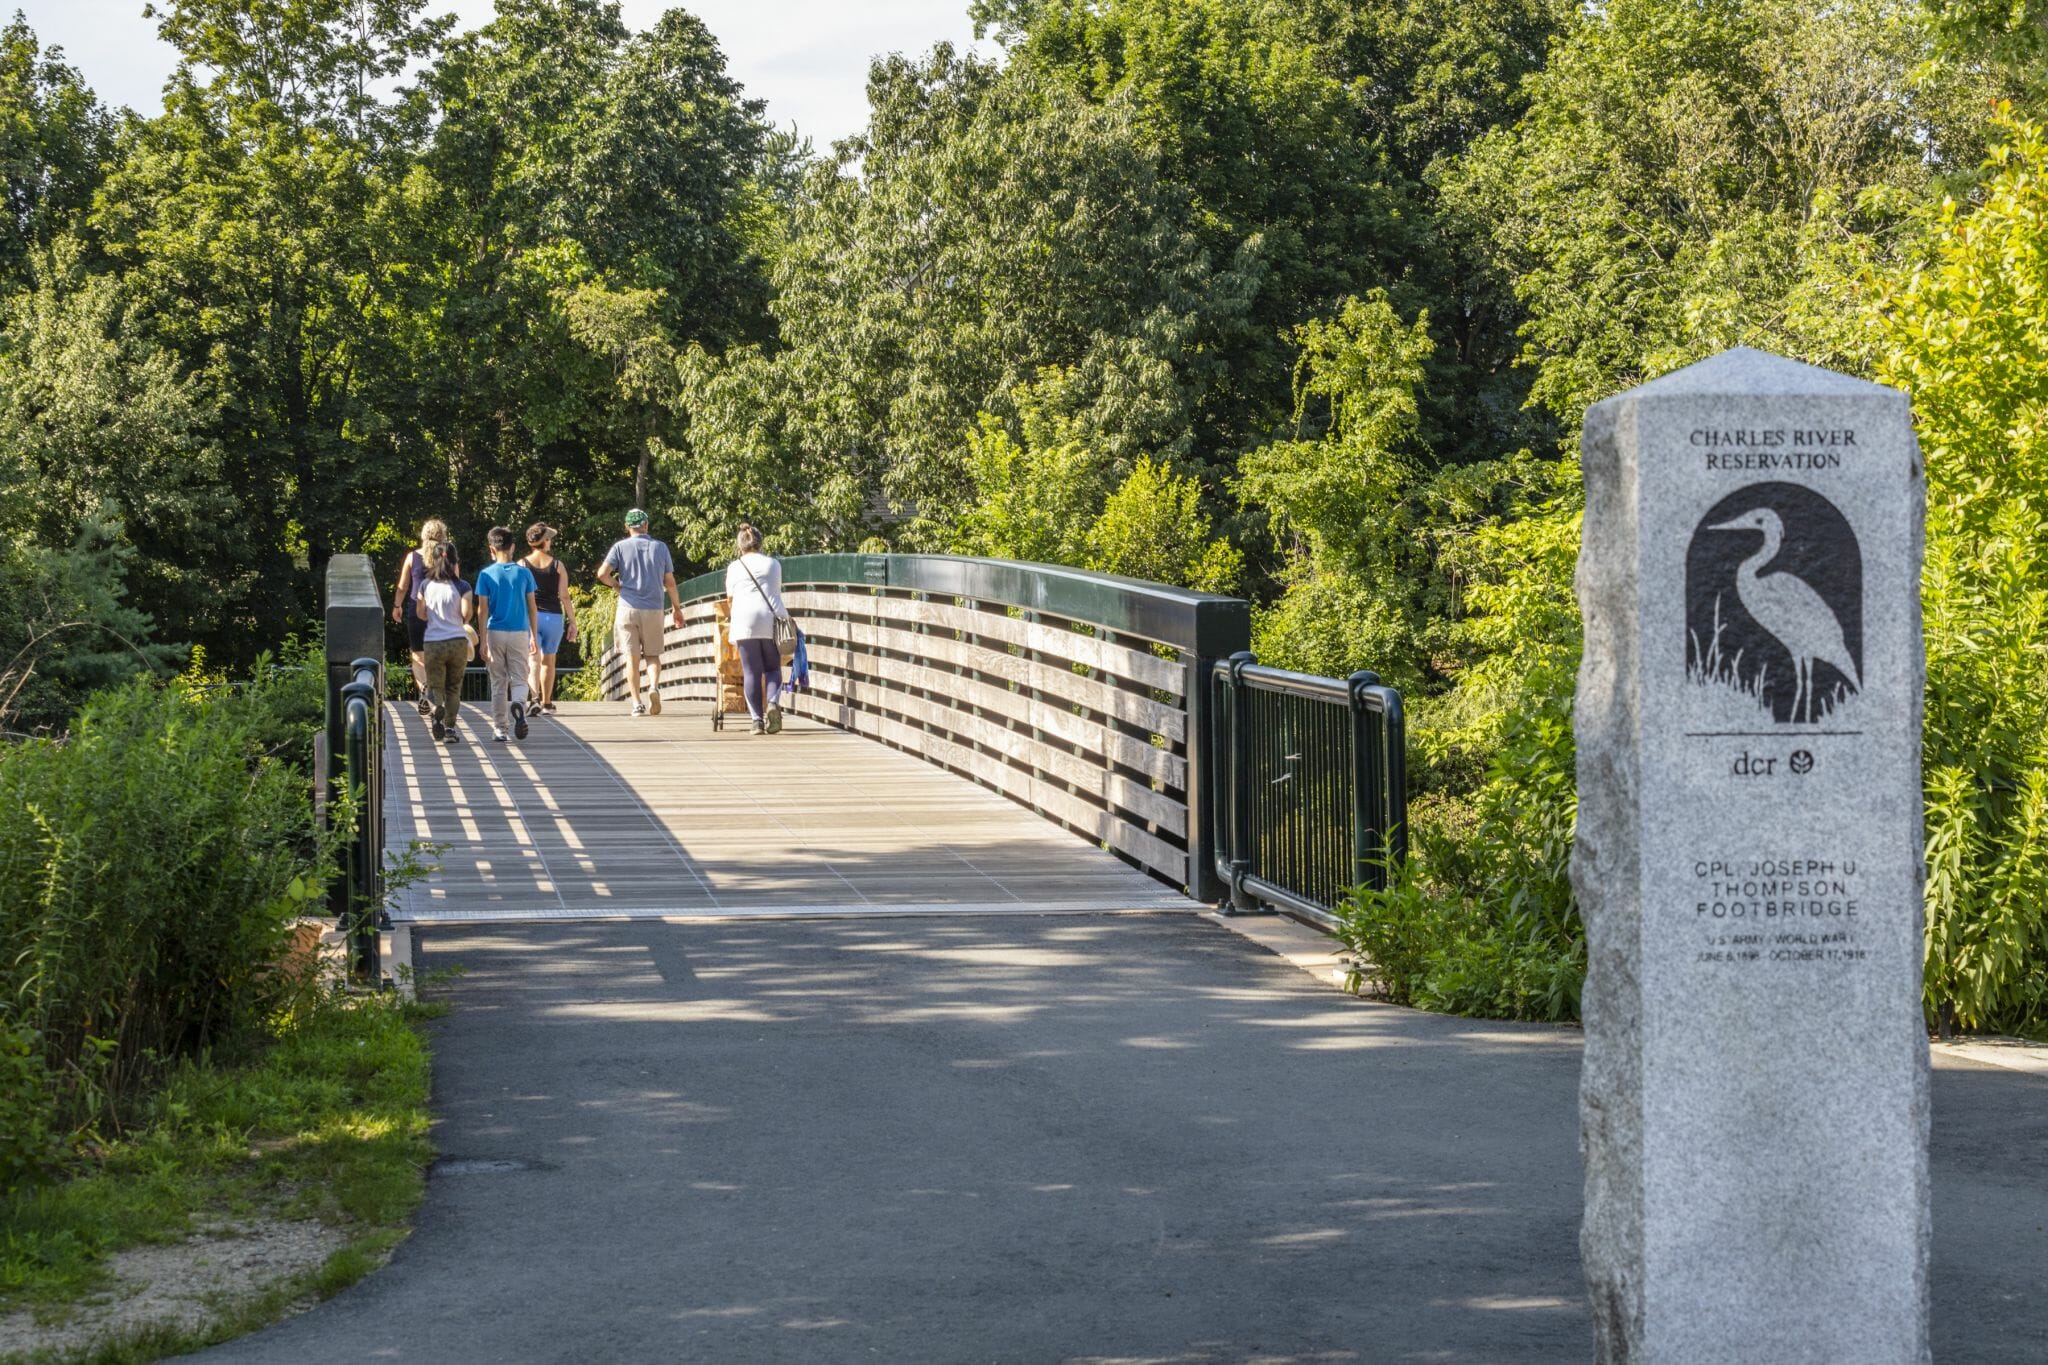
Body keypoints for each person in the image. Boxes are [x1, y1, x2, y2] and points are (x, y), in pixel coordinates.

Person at [595, 508, 682, 717]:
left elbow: (601, 574)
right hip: (653, 608)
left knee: (631, 659)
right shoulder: (660, 547)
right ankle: (653, 686)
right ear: (646, 525)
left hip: (627, 608)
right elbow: (669, 582)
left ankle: (636, 703)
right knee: (652, 655)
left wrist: (616, 585)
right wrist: (677, 608)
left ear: (627, 527)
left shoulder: (620, 547)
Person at [474, 526, 540, 743]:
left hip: (495, 632)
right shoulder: (524, 573)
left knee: (498, 682)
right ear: (512, 547)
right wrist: (533, 635)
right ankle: (519, 704)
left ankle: (500, 728)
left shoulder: (486, 575)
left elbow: (482, 610)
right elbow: (532, 606)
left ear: (491, 548)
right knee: (520, 677)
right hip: (519, 632)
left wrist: (483, 640)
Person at [725, 522, 788, 735]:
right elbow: (775, 591)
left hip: (744, 621)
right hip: (771, 620)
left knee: (751, 672)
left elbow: (730, 598)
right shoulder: (773, 564)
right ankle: (772, 703)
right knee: (772, 668)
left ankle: (756, 722)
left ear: (740, 545)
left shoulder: (734, 567)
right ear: (760, 543)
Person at [393, 519, 455, 716]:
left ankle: (424, 690)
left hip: (416, 610)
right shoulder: (447, 556)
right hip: (442, 612)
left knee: (418, 655)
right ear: (443, 536)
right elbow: (456, 582)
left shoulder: (412, 557)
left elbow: (403, 586)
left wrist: (397, 606)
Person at [414, 542, 472, 744]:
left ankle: (436, 709)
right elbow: (466, 615)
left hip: (433, 642)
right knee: (454, 688)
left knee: (435, 686)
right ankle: (449, 729)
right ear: (455, 562)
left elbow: (420, 613)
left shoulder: (425, 585)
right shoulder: (462, 586)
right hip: (457, 641)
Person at [521, 523, 576, 717]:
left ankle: (533, 698)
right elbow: (564, 596)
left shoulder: (522, 565)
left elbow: (520, 594)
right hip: (553, 616)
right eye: (549, 538)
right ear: (544, 541)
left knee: (532, 657)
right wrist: (573, 622)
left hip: (530, 616)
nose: (550, 541)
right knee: (549, 660)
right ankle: (547, 702)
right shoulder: (557, 565)